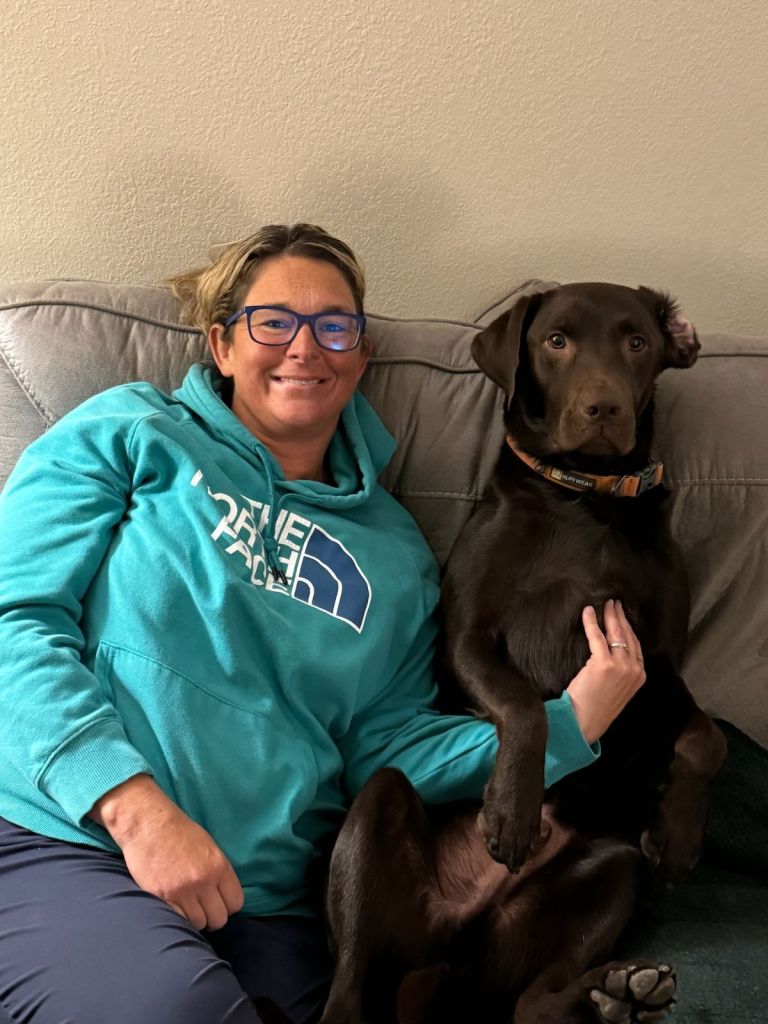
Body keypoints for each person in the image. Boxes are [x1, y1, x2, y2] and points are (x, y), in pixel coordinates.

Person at [0, 224, 645, 1024]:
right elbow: (15, 621)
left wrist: (571, 719)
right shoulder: (132, 431)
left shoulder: (398, 553)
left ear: (361, 356)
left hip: (268, 904)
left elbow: (387, 741)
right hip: (72, 837)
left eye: (334, 326)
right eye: (274, 321)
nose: (306, 347)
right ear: (222, 344)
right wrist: (137, 809)